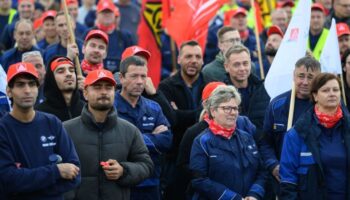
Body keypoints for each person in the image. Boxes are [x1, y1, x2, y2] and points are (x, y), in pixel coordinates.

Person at [63, 69, 153, 200]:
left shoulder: (129, 130)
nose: (104, 92)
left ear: (114, 92)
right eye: (97, 87)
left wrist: (124, 170)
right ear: (85, 93)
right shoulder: (65, 130)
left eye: (109, 87)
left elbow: (146, 166)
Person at [0, 62, 81, 199]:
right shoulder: (3, 129)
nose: (27, 90)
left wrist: (30, 184)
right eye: (20, 85)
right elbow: (8, 179)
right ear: (9, 91)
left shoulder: (52, 123)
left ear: (38, 89)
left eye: (32, 84)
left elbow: (75, 173)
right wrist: (56, 172)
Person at [177, 82, 256, 199]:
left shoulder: (247, 137)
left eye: (235, 108)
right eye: (226, 108)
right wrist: (232, 198)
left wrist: (254, 194)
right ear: (213, 111)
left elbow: (260, 169)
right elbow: (199, 180)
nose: (233, 112)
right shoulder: (202, 141)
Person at [280, 73, 350, 199]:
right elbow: (288, 180)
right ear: (315, 96)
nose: (332, 93)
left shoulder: (348, 127)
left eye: (335, 89)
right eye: (325, 90)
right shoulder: (297, 133)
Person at [115, 55, 172, 200]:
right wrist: (152, 137)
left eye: (143, 76)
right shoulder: (110, 108)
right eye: (134, 76)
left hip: (151, 182)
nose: (140, 82)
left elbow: (167, 141)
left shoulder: (153, 107)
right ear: (121, 78)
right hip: (121, 183)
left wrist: (133, 140)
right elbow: (115, 143)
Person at [158, 40, 208, 199]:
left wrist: (180, 113)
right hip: (175, 161)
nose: (193, 60)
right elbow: (172, 120)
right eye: (188, 56)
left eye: (197, 56)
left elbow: (179, 117)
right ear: (179, 59)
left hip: (206, 160)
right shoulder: (166, 86)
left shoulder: (210, 85)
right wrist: (201, 113)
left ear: (203, 60)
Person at [223, 44, 270, 140]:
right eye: (236, 64)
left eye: (245, 63)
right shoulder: (221, 93)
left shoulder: (265, 90)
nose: (242, 68)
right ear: (226, 67)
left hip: (261, 146)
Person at [35, 56, 85, 122]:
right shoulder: (40, 114)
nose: (68, 74)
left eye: (71, 70)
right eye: (61, 71)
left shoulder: (86, 109)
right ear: (51, 79)